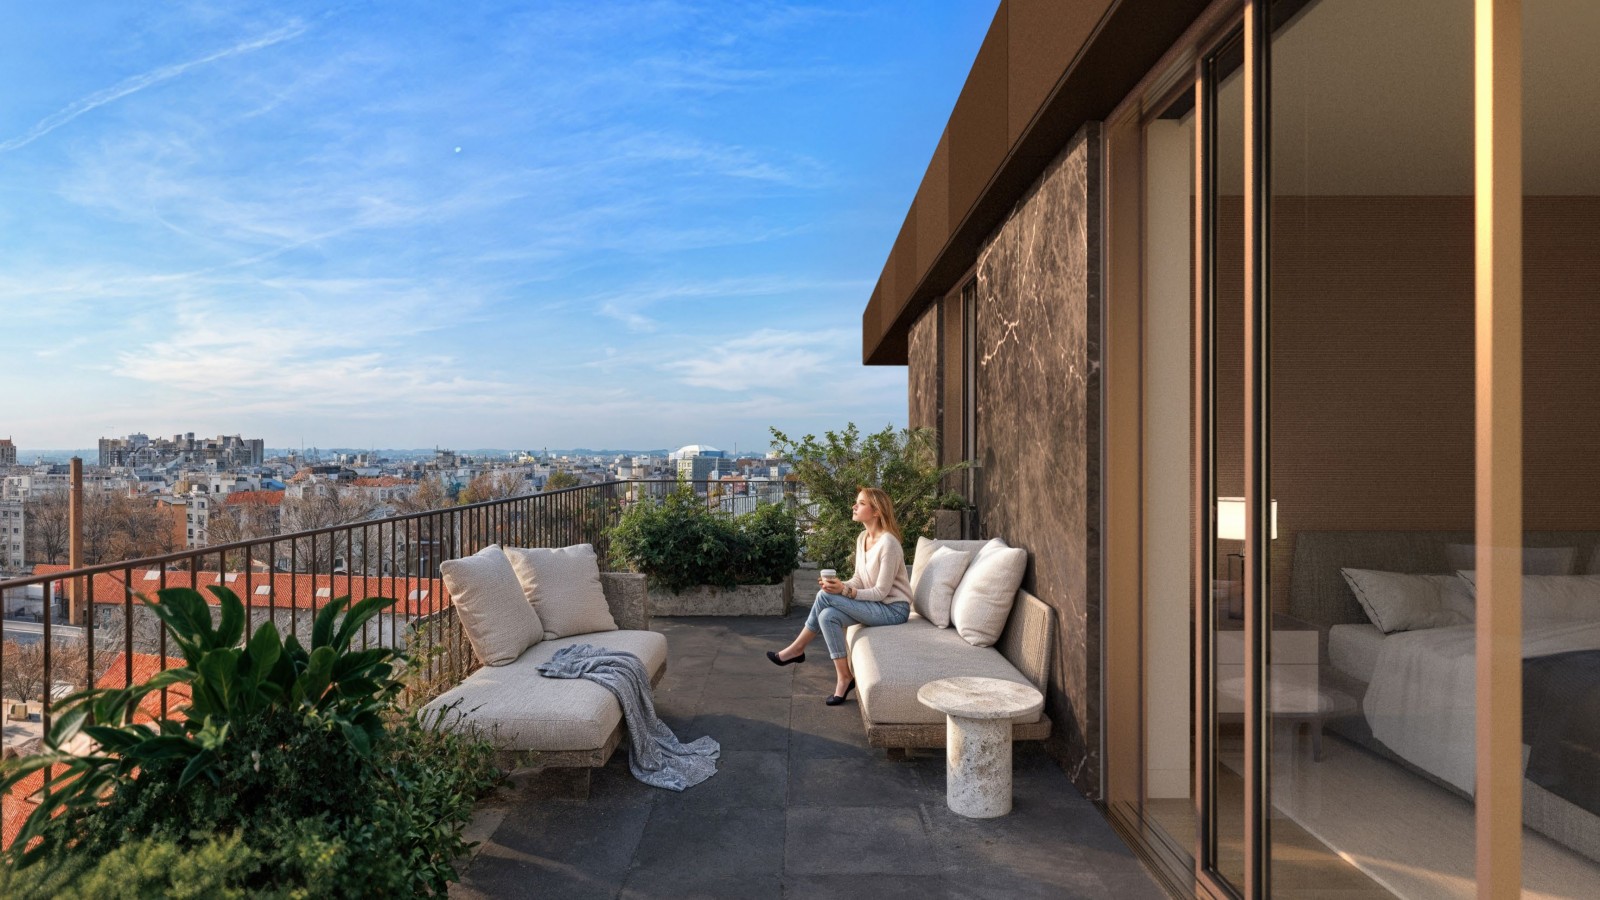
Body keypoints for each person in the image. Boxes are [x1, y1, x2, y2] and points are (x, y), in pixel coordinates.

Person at [766, 486, 911, 705]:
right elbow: (859, 579)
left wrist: (844, 591)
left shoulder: (888, 544)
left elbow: (881, 592)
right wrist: (838, 585)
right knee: (827, 616)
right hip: (876, 606)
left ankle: (797, 649)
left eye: (861, 503)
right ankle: (844, 677)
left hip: (893, 609)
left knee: (825, 599)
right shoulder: (862, 537)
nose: (854, 506)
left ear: (876, 511)